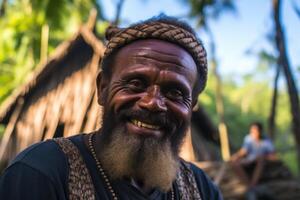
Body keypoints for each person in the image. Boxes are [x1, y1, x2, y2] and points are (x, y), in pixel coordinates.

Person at [0, 15, 222, 200]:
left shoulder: (202, 190)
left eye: (175, 92)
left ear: (191, 105)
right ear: (102, 88)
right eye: (136, 83)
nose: (153, 103)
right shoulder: (41, 173)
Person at [230, 122, 277, 188]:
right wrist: (235, 156)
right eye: (252, 130)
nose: (253, 132)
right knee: (234, 163)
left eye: (255, 130)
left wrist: (263, 157)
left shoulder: (266, 141)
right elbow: (244, 151)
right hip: (249, 161)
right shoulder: (248, 139)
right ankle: (248, 185)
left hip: (260, 162)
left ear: (260, 130)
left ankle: (253, 184)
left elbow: (274, 156)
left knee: (261, 160)